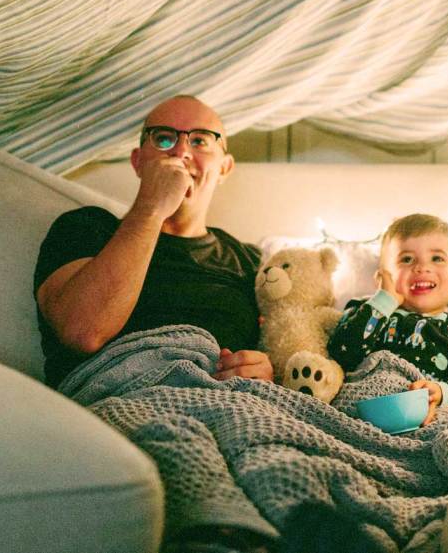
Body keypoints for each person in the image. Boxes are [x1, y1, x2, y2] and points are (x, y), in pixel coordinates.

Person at [33, 94, 274, 389]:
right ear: (138, 162)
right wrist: (151, 208)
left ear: (224, 168)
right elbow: (83, 331)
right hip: (121, 401)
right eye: (163, 139)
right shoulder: (87, 228)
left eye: (200, 141)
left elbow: (279, 350)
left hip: (236, 405)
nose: (181, 152)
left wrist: (264, 370)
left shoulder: (250, 261)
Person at [328, 214, 448, 426]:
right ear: (382, 277)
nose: (421, 267)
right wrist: (384, 300)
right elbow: (341, 353)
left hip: (419, 417)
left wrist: (439, 392)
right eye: (406, 259)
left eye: (437, 258)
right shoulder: (365, 309)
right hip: (356, 413)